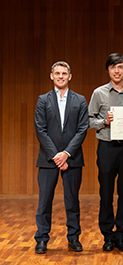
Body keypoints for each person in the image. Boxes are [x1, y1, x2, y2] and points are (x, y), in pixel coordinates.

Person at [88, 53, 123, 251]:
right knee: (106, 193)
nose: (117, 71)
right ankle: (107, 235)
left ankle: (121, 235)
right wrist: (104, 122)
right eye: (113, 67)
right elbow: (88, 120)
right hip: (107, 148)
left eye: (120, 67)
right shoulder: (99, 93)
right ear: (108, 70)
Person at [34, 61, 88, 254]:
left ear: (70, 76)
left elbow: (82, 130)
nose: (60, 76)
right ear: (51, 76)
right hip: (48, 159)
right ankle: (41, 238)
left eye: (64, 73)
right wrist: (56, 155)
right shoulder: (43, 100)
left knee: (72, 201)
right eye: (57, 73)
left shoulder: (80, 100)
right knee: (44, 201)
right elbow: (40, 129)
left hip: (72, 159)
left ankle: (73, 238)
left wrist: (66, 154)